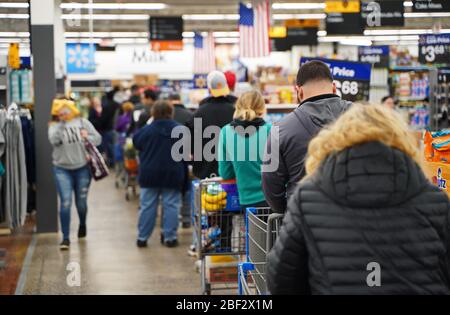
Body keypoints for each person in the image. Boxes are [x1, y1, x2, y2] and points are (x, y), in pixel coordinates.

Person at [267, 104, 450, 295]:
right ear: (403, 141)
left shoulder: (307, 199)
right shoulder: (436, 202)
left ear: (335, 140)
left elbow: (281, 279)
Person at [262, 60, 351, 213]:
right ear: (334, 88)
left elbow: (270, 185)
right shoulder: (362, 118)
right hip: (355, 218)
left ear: (299, 92)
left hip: (304, 219)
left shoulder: (279, 129)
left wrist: (288, 213)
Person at [48, 98, 102, 250]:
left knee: (81, 203)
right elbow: (54, 140)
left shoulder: (82, 122)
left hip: (82, 168)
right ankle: (65, 238)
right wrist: (61, 123)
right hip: (61, 169)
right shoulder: (53, 125)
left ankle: (82, 224)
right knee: (65, 202)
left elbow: (98, 139)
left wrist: (87, 137)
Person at [133, 101, 186, 248]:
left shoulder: (146, 130)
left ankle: (142, 237)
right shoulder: (180, 129)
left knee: (147, 206)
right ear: (171, 112)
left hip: (150, 173)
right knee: (171, 205)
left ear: (153, 113)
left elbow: (136, 142)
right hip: (173, 172)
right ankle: (170, 237)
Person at [218, 90, 271, 209]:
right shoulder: (271, 130)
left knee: (251, 228)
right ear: (262, 108)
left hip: (246, 200)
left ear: (237, 107)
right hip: (272, 200)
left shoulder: (226, 132)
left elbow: (226, 173)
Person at [187, 71, 236, 179]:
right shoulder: (235, 112)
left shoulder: (198, 114)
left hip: (205, 173)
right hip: (231, 173)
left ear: (209, 89)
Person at [168, 93, 194, 228]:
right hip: (186, 157)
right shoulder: (190, 115)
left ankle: (171, 220)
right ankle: (186, 218)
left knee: (170, 196)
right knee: (187, 189)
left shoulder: (164, 115)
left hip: (167, 160)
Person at [99, 88, 120, 167]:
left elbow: (103, 118)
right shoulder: (117, 105)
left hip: (107, 129)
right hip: (115, 128)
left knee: (108, 146)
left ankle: (111, 162)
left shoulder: (106, 106)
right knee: (114, 145)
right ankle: (115, 162)